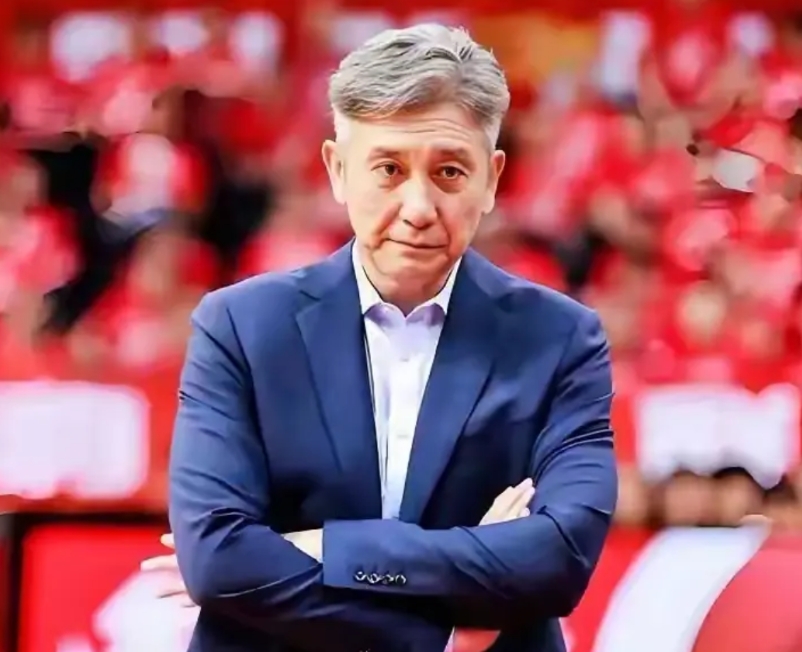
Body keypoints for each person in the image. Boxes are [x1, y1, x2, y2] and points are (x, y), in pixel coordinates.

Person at [144, 23, 618, 652]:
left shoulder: (560, 338)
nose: (419, 207)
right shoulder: (240, 326)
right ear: (338, 170)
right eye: (389, 169)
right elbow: (218, 562)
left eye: (450, 172)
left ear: (492, 179)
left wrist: (330, 547)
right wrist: (444, 637)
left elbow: (558, 558)